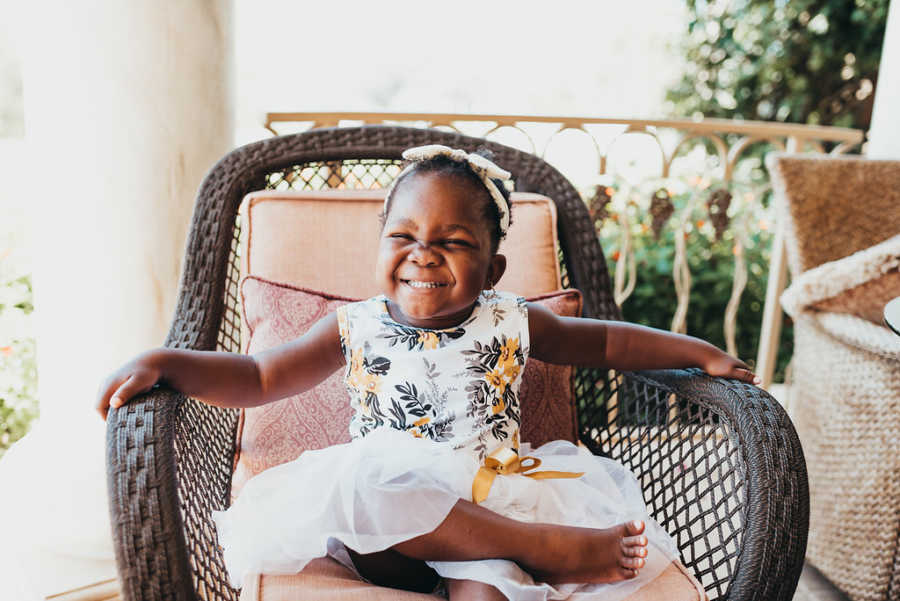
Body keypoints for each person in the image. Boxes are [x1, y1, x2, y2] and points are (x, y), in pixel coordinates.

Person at [96, 145, 759, 600]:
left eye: (454, 241)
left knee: (489, 587)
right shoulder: (355, 324)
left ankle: (518, 552)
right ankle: (544, 546)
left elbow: (607, 341)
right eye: (404, 236)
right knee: (380, 479)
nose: (424, 254)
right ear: (380, 245)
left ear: (494, 269)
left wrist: (696, 351)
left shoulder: (511, 318)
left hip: (485, 507)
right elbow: (261, 375)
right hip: (385, 527)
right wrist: (168, 363)